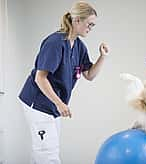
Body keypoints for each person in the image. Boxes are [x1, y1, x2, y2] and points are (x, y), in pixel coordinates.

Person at [18, 1, 109, 163]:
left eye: (93, 26)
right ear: (77, 20)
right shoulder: (55, 43)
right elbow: (40, 77)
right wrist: (60, 104)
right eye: (89, 24)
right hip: (38, 103)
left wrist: (103, 57)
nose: (90, 28)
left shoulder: (79, 47)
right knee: (48, 154)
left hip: (53, 105)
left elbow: (89, 75)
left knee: (43, 151)